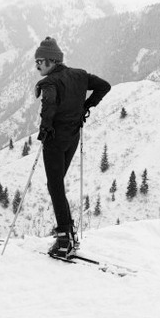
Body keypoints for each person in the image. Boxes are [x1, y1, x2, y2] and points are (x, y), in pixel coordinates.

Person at [34, 37, 111, 260]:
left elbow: (49, 105)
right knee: (57, 185)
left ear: (52, 60)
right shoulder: (79, 75)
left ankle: (64, 240)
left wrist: (45, 129)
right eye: (36, 62)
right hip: (73, 136)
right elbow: (104, 86)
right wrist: (86, 106)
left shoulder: (50, 83)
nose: (37, 65)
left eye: (40, 61)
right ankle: (68, 233)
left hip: (55, 140)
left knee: (55, 186)